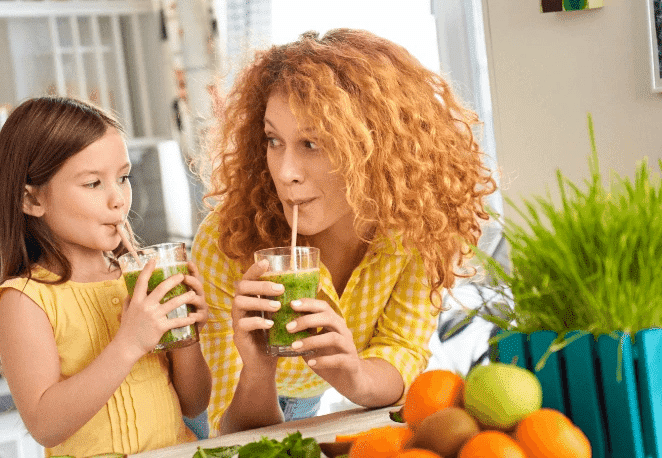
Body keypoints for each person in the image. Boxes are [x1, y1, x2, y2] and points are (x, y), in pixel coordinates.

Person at [192, 28, 498, 436]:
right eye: (273, 140)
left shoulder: (417, 226)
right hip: (202, 410)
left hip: (307, 401)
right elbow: (227, 431)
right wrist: (258, 370)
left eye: (312, 144)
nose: (285, 173)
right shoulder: (229, 239)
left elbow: (401, 349)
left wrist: (353, 374)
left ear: (373, 147)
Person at [0, 96, 211, 456]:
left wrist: (186, 337)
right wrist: (129, 344)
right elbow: (45, 425)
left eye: (123, 178)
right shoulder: (26, 300)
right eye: (93, 184)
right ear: (31, 200)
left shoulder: (137, 281)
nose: (118, 199)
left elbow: (194, 404)